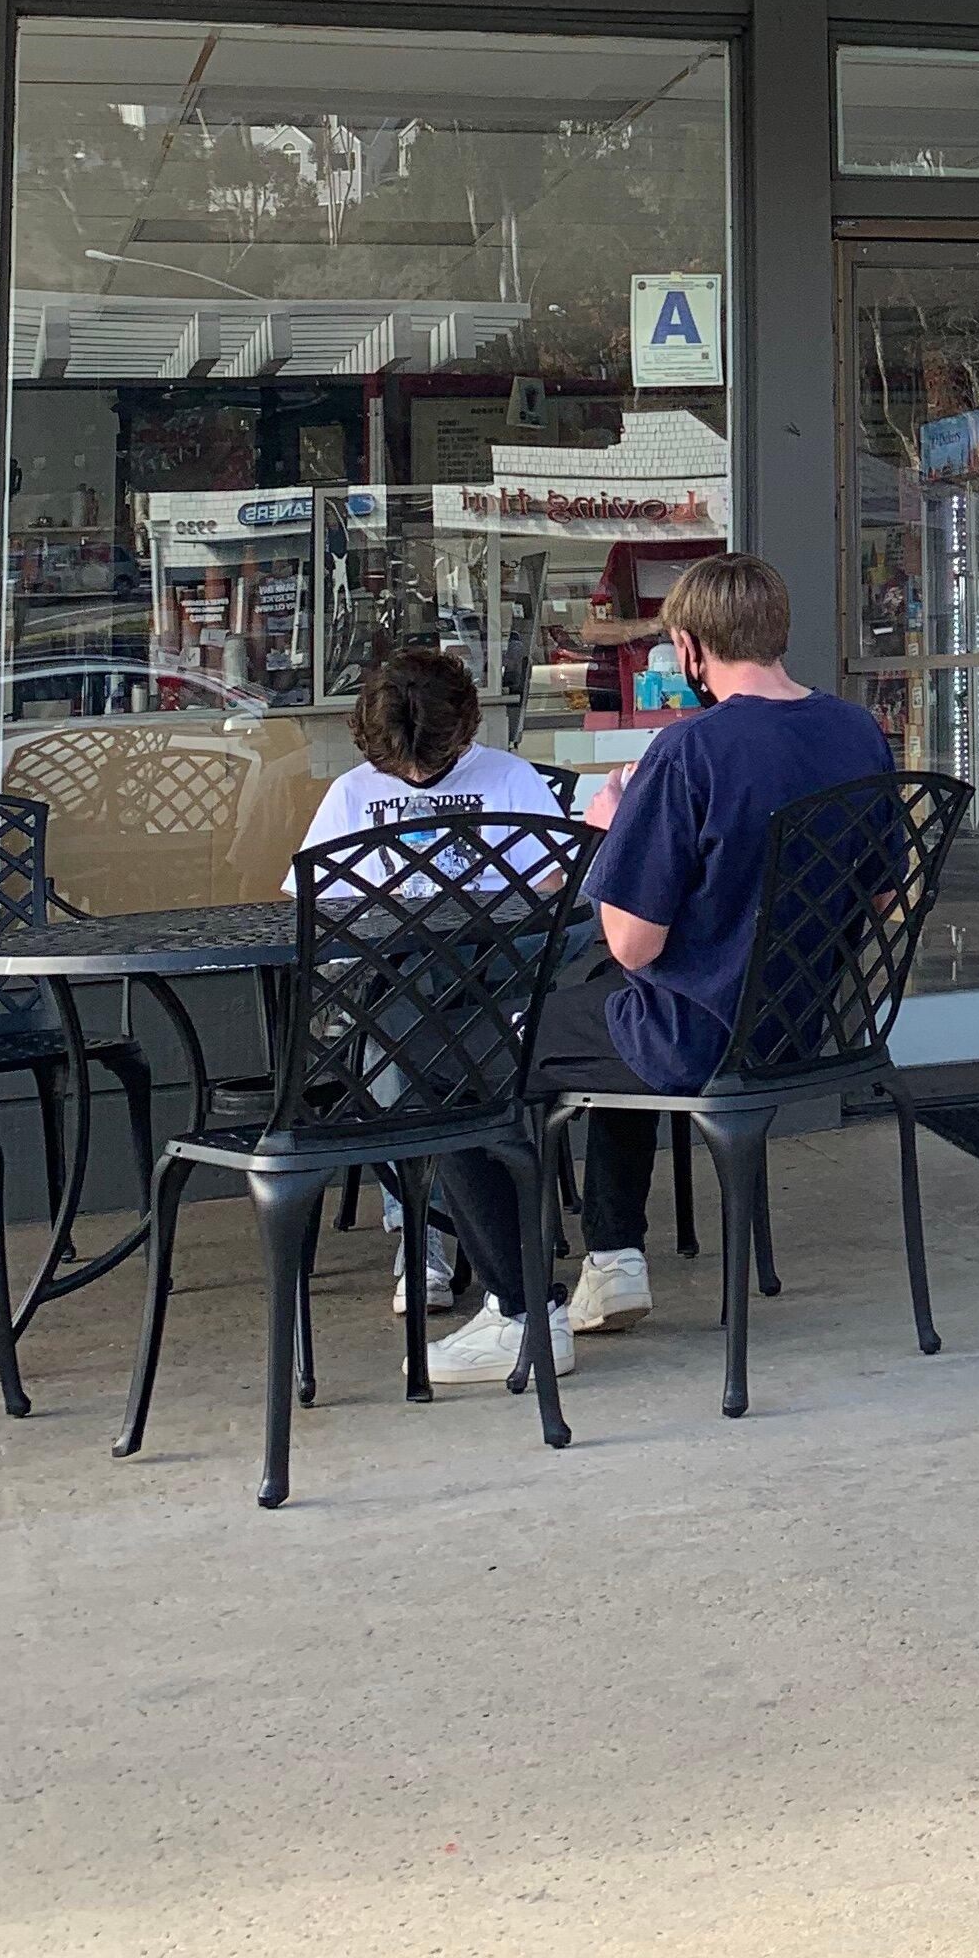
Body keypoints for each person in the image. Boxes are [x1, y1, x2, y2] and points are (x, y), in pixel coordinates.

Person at [426, 549, 892, 1388]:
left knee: (451, 1064)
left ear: (687, 647)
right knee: (603, 1005)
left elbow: (636, 940)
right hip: (807, 1028)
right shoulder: (856, 731)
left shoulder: (691, 752)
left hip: (697, 1035)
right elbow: (884, 896)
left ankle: (519, 1314)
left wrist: (613, 825)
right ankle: (615, 1259)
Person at [290, 645, 569, 1319]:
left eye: (433, 762)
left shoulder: (506, 778)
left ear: (467, 731)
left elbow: (558, 884)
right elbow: (312, 900)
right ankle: (433, 1232)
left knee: (401, 1051)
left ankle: (428, 1237)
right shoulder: (353, 792)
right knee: (400, 1028)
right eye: (399, 765)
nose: (416, 774)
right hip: (397, 987)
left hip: (494, 991)